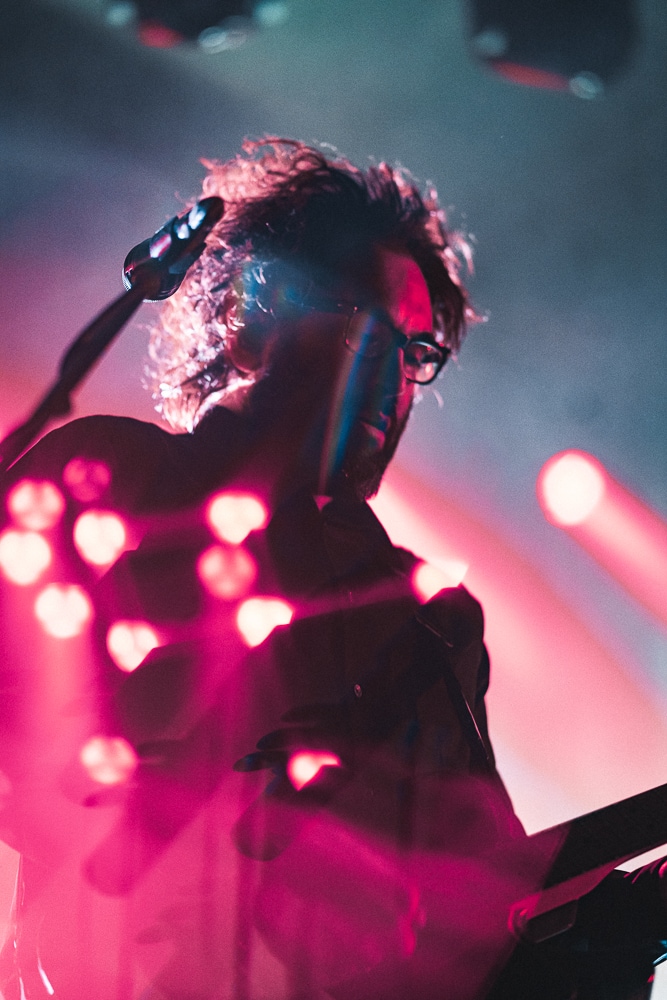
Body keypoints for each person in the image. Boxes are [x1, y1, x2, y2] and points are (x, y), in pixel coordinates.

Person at [0, 138, 664, 1000]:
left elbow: (486, 907)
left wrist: (614, 929)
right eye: (365, 323)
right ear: (251, 316)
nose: (393, 375)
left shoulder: (433, 618)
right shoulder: (110, 479)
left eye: (416, 353)